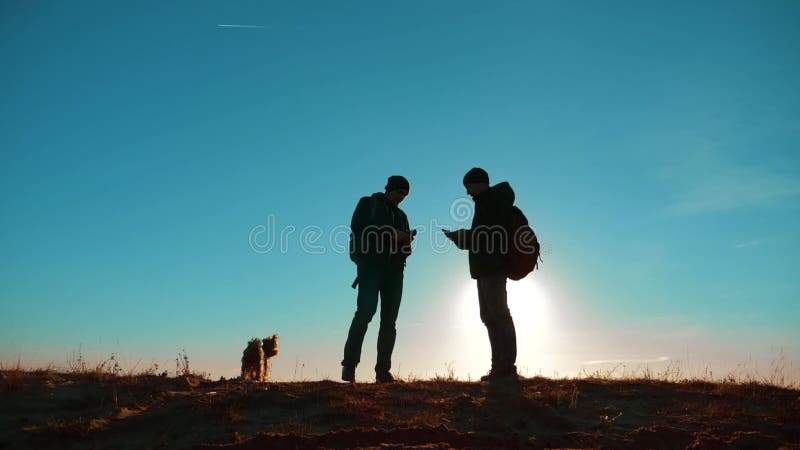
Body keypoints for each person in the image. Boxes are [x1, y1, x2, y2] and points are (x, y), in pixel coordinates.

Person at [444, 168, 518, 382]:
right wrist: (461, 238)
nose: (467, 193)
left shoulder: (494, 201)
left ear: (480, 183)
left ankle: (506, 368)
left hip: (493, 267)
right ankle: (499, 368)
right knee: (489, 317)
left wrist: (463, 236)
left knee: (499, 315)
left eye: (469, 186)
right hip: (485, 268)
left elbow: (489, 235)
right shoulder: (487, 202)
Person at [342, 175, 414, 383]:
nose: (401, 197)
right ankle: (349, 366)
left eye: (405, 195)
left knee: (389, 322)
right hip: (370, 267)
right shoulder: (368, 203)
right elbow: (358, 229)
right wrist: (390, 233)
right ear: (389, 189)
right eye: (399, 192)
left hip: (395, 272)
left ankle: (383, 371)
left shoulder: (402, 216)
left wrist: (405, 241)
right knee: (364, 314)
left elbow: (406, 248)